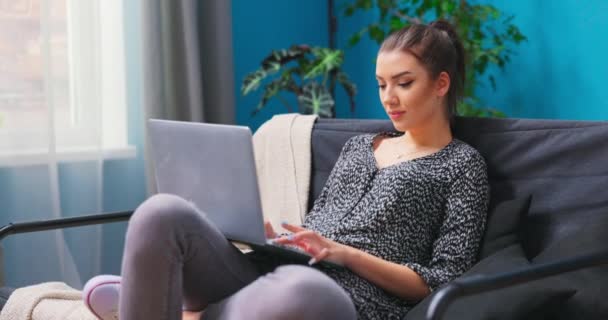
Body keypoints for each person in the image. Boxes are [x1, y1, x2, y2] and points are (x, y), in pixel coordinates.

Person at [85, 19, 489, 320]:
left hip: (347, 298)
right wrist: (275, 237)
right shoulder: (358, 147)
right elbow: (317, 224)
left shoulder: (463, 166)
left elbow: (441, 281)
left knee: (301, 290)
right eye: (382, 84)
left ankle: (167, 304)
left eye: (403, 83)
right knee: (161, 212)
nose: (389, 98)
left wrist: (343, 254)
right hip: (274, 271)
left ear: (440, 85)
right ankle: (172, 301)